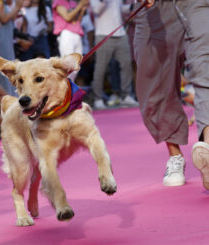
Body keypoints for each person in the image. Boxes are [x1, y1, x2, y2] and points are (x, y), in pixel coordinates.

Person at [134, 0, 209, 189]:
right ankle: (175, 155)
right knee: (153, 81)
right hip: (154, 9)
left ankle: (208, 149)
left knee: (204, 69)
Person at [89, 0, 138, 110]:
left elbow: (121, 9)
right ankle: (98, 99)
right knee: (100, 68)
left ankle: (126, 96)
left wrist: (133, 6)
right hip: (103, 35)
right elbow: (96, 10)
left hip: (120, 34)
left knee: (126, 65)